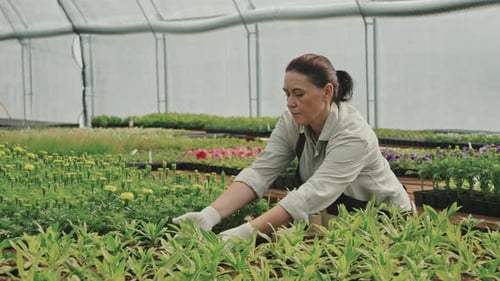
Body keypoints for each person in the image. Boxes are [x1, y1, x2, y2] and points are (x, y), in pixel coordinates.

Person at [173, 53, 414, 242]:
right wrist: (210, 214)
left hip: (388, 222)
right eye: (287, 94)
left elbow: (313, 193)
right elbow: (260, 172)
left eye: (298, 94)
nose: (290, 103)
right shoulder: (291, 122)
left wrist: (244, 234)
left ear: (327, 92)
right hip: (345, 217)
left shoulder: (354, 135)